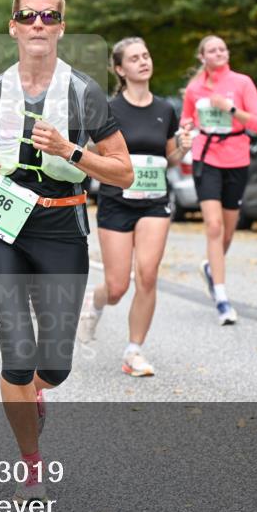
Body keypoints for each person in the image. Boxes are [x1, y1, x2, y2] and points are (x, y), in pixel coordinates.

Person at [0, 0, 132, 502]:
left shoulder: (83, 92)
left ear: (60, 29)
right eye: (28, 15)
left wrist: (73, 152)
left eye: (49, 17)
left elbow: (124, 174)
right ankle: (31, 460)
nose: (38, 24)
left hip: (61, 224)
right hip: (2, 226)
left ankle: (37, 390)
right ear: (13, 26)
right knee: (16, 354)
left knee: (53, 365)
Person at [76, 38, 192, 377]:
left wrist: (182, 149)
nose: (143, 61)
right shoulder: (108, 109)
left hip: (155, 202)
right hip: (116, 201)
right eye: (134, 58)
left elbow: (168, 158)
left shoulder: (165, 109)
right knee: (116, 287)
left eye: (146, 55)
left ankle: (133, 351)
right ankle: (93, 303)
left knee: (148, 274)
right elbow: (89, 156)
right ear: (120, 69)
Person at [181, 35, 257, 325]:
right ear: (202, 57)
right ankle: (221, 297)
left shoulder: (242, 83)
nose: (219, 53)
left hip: (236, 158)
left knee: (227, 232)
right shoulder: (194, 89)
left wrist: (228, 108)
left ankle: (210, 268)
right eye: (212, 50)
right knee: (213, 226)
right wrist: (187, 127)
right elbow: (186, 120)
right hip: (206, 158)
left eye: (222, 49)